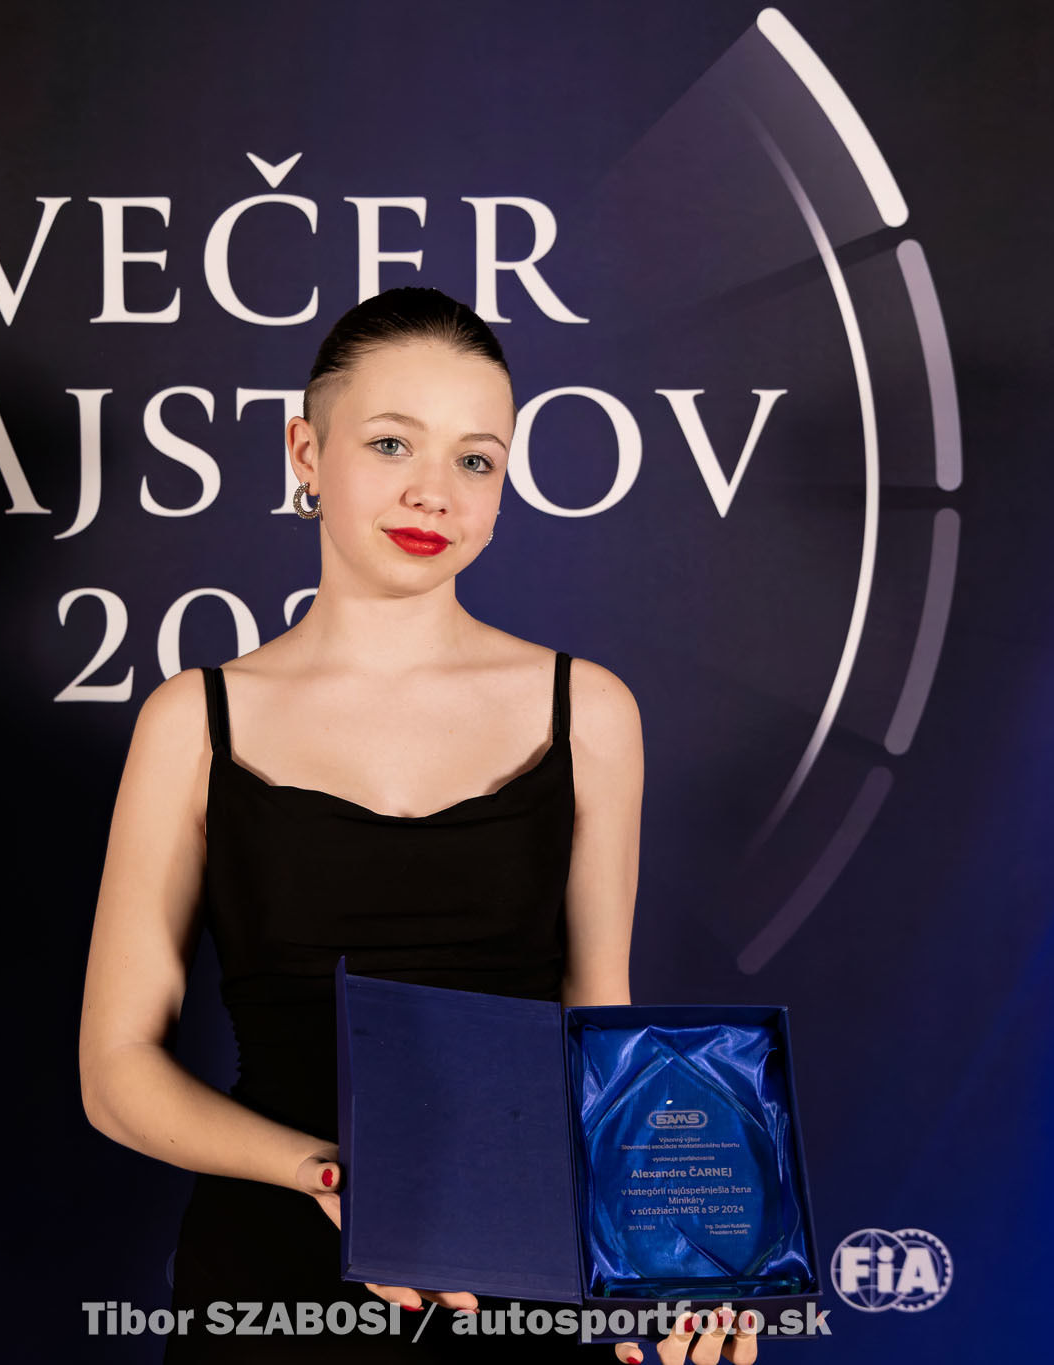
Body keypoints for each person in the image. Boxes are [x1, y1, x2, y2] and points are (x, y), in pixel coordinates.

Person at [79, 287, 755, 1365]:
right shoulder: (192, 721)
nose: (433, 492)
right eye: (391, 443)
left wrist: (663, 1273)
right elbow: (117, 1071)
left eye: (475, 460)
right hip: (270, 1285)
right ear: (306, 452)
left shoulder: (586, 710)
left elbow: (603, 1034)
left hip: (515, 1280)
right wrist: (324, 1174)